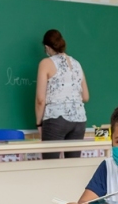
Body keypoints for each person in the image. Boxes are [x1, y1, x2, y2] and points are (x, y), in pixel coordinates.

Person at [35, 29, 89, 159]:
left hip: (56, 119)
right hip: (79, 120)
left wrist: (39, 123)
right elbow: (86, 97)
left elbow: (40, 100)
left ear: (47, 47)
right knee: (73, 165)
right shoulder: (76, 63)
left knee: (50, 165)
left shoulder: (46, 63)